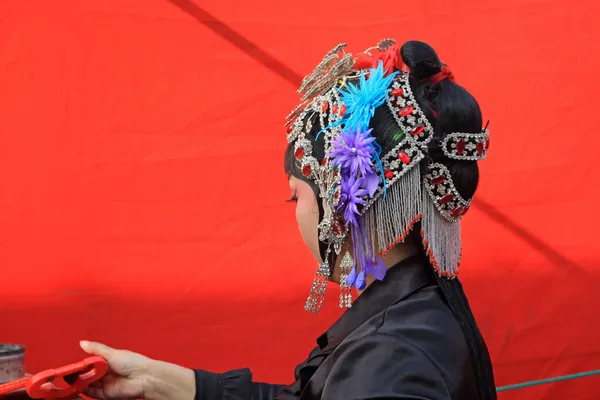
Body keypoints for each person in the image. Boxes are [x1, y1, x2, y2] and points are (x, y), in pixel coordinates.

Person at [79, 39, 497, 400]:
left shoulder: (392, 359)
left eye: (294, 195)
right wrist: (160, 382)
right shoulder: (417, 313)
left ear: (340, 197)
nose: (294, 211)